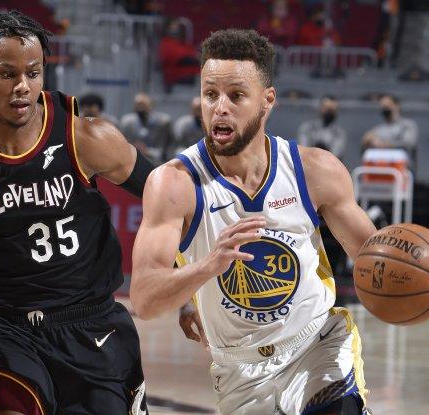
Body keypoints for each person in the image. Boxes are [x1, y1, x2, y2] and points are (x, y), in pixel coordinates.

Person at [131, 29, 377, 415]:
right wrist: (207, 267)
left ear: (267, 101)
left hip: (316, 344)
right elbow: (144, 299)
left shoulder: (315, 170)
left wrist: (409, 276)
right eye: (210, 94)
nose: (220, 107)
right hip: (238, 367)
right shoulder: (174, 184)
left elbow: (374, 260)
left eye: (236, 95)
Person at [0, 11, 153, 415]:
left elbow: (169, 196)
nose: (22, 86)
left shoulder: (85, 137)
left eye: (34, 73)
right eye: (7, 74)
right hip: (8, 330)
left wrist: (188, 285)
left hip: (92, 326)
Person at [120, 92, 174, 164]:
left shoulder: (163, 122)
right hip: (133, 155)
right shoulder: (127, 122)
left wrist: (148, 151)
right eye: (138, 104)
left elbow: (169, 144)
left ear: (150, 105)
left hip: (156, 157)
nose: (140, 108)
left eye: (143, 105)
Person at [361, 94, 418, 162]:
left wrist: (383, 145)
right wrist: (367, 141)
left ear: (397, 106)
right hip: (380, 164)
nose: (385, 109)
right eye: (383, 107)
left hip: (402, 165)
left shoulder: (407, 125)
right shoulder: (378, 129)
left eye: (387, 106)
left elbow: (408, 143)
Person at [297, 95, 348, 160]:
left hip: (329, 165)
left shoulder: (339, 133)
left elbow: (335, 156)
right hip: (307, 163)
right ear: (320, 108)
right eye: (327, 108)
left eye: (332, 110)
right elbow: (303, 152)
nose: (329, 112)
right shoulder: (307, 128)